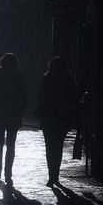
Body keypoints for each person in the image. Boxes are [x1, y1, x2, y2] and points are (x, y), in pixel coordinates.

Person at [0, 53, 26, 187]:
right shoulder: (19, 75)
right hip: (13, 114)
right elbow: (23, 95)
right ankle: (8, 173)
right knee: (11, 145)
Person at [36, 56, 76, 187]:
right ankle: (55, 174)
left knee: (49, 147)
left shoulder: (47, 79)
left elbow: (40, 97)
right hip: (62, 118)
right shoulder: (68, 81)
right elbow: (72, 99)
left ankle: (51, 175)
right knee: (58, 147)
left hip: (48, 118)